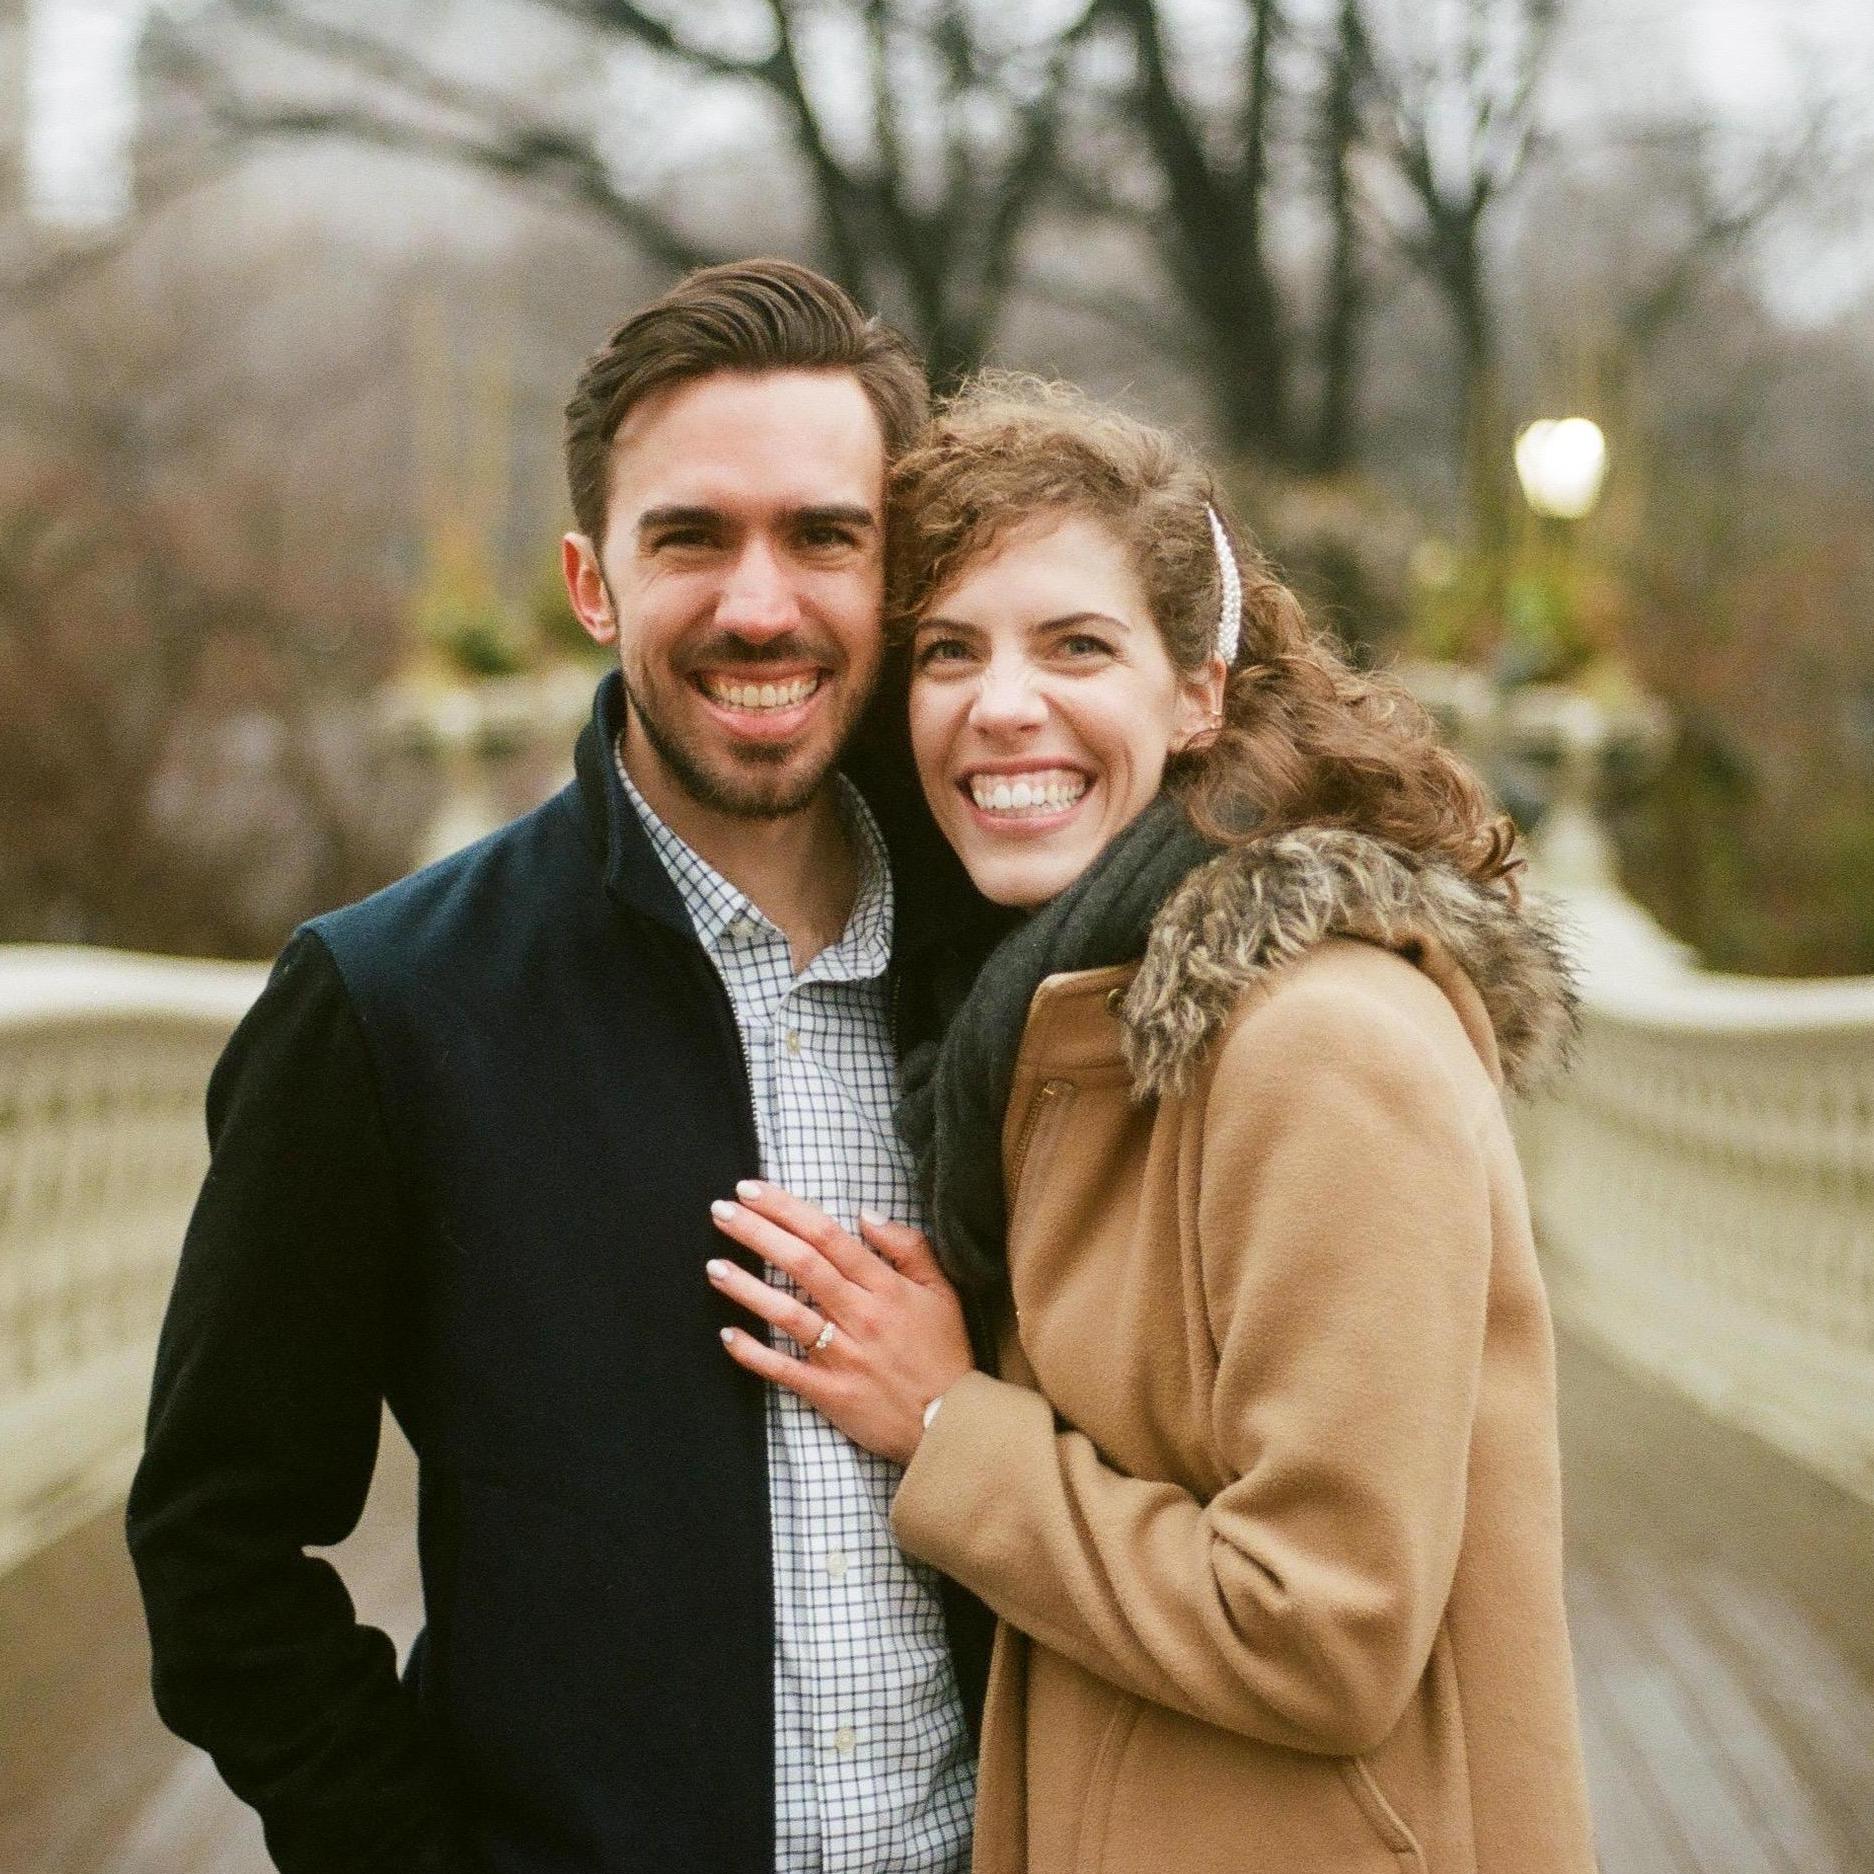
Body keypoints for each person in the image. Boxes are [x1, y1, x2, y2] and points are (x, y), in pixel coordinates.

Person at [126, 260, 999, 1874]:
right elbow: (217, 1542)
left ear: (898, 575)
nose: (759, 604)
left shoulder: (1013, 965)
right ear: (592, 582)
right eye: (692, 537)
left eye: (824, 535)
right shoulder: (388, 1001)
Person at [704, 377, 1601, 1872]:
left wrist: (942, 1421)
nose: (1002, 705)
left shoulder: (1317, 1046)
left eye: (1075, 646)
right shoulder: (1043, 1027)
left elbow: (1323, 1630)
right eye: (947, 652)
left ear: (1197, 688)